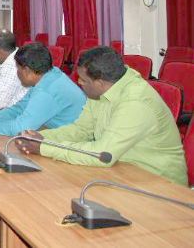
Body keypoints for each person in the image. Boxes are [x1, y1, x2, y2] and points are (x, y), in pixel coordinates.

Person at [17, 47, 187, 186]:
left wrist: (44, 147)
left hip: (158, 183)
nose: (79, 83)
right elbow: (80, 130)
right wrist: (39, 137)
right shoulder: (100, 91)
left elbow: (102, 155)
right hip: (120, 170)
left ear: (100, 83)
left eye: (83, 80)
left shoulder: (135, 102)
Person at [0, 43, 85, 136]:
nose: (17, 73)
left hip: (72, 143)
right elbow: (18, 110)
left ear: (27, 71)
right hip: (57, 135)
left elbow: (20, 128)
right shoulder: (49, 76)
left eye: (18, 68)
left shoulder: (47, 90)